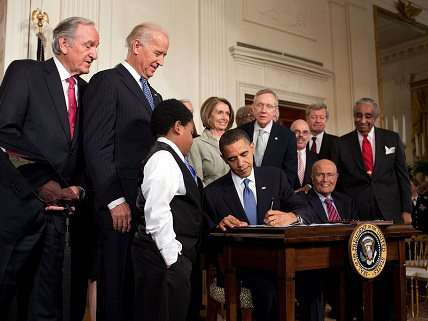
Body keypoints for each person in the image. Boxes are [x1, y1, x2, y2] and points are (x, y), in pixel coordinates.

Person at [0, 17, 99, 320]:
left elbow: (87, 149)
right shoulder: (26, 72)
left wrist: (80, 189)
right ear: (64, 43)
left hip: (61, 220)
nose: (94, 53)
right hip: (19, 208)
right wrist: (41, 183)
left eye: (96, 47)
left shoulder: (88, 90)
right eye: (89, 45)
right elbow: (5, 131)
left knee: (47, 304)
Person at [82, 22, 169, 321]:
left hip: (143, 207)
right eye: (157, 52)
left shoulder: (154, 96)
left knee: (137, 289)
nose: (160, 60)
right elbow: (96, 146)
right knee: (115, 289)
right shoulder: (107, 82)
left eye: (164, 55)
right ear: (136, 46)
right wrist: (114, 199)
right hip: (116, 206)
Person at [203, 128, 323, 321]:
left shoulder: (275, 177)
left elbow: (308, 210)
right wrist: (219, 226)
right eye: (232, 159)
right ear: (223, 158)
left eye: (244, 154)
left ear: (252, 147)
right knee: (268, 290)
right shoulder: (213, 193)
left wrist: (291, 216)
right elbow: (206, 239)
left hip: (281, 260)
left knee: (313, 281)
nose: (241, 163)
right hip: (240, 268)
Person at [133, 99, 204, 321]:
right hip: (164, 262)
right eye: (191, 133)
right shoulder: (164, 158)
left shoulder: (170, 158)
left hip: (171, 260)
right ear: (178, 127)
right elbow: (157, 211)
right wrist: (173, 259)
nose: (192, 140)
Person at [337, 97, 412, 223]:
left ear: (375, 117)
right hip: (355, 211)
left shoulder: (391, 138)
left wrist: (407, 210)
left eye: (368, 116)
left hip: (390, 210)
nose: (362, 120)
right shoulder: (341, 143)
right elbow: (339, 181)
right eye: (358, 115)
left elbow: (403, 177)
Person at [240, 88, 297, 186]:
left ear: (275, 110)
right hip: (245, 190)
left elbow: (290, 173)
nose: (263, 110)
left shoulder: (287, 136)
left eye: (269, 106)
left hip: (274, 193)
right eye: (259, 105)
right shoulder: (241, 132)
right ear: (253, 108)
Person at [188, 96, 234, 186]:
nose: (225, 117)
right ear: (208, 115)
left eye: (227, 113)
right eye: (220, 113)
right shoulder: (196, 144)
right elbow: (197, 183)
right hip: (211, 198)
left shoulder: (235, 141)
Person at [304, 159, 357, 223]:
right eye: (320, 175)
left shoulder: (347, 202)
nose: (325, 179)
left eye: (329, 175)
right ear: (312, 177)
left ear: (337, 177)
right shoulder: (302, 202)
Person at [290, 119, 317, 191]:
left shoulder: (317, 158)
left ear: (309, 136)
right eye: (297, 132)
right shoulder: (281, 156)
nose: (301, 135)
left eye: (305, 132)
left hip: (310, 200)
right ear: (289, 134)